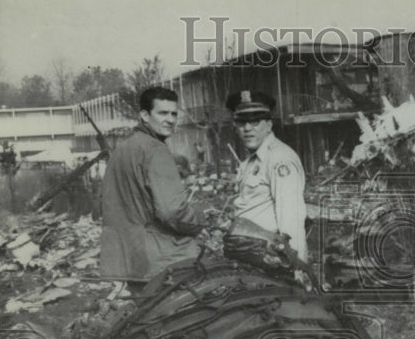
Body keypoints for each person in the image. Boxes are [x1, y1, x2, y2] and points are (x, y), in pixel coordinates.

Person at [99, 86, 205, 282]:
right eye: (163, 113)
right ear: (145, 115)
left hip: (122, 258)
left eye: (174, 113)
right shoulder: (156, 150)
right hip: (158, 258)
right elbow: (172, 212)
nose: (171, 120)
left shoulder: (122, 149)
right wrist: (199, 219)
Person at [227, 90, 308, 264]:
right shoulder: (251, 161)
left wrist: (297, 268)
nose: (247, 129)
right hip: (249, 254)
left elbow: (291, 219)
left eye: (255, 121)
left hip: (270, 259)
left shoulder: (280, 159)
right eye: (241, 122)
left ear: (269, 125)